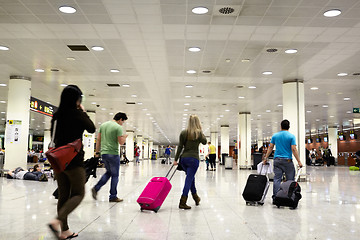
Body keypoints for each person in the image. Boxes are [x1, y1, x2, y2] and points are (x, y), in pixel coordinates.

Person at [48, 85, 96, 240]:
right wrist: (82, 111)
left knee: (63, 195)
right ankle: (57, 221)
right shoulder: (77, 114)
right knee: (78, 193)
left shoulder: (56, 116)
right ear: (77, 99)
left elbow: (53, 137)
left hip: (57, 160)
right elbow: (92, 129)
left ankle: (65, 231)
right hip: (73, 160)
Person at [262, 119, 303, 204]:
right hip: (287, 161)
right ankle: (288, 197)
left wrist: (265, 158)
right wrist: (299, 161)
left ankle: (276, 198)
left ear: (280, 126)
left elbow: (270, 148)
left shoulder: (275, 136)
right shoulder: (291, 136)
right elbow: (294, 149)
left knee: (277, 179)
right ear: (289, 127)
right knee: (290, 180)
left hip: (277, 160)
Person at [92, 112, 128, 203]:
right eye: (122, 122)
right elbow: (121, 142)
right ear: (120, 119)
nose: (122, 123)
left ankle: (96, 188)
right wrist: (124, 137)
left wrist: (97, 152)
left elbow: (98, 139)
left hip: (104, 154)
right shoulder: (118, 127)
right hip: (113, 154)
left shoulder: (103, 125)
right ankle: (113, 196)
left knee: (109, 172)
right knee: (115, 175)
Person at [174, 114, 207, 210]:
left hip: (184, 159)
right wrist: (201, 131)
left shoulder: (184, 133)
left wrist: (176, 159)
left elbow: (180, 146)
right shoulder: (199, 133)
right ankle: (182, 201)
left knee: (190, 177)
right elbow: (205, 142)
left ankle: (196, 198)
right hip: (193, 160)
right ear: (198, 123)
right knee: (189, 179)